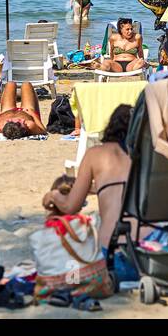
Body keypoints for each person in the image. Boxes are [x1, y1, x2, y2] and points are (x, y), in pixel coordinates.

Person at [43, 103, 134, 264]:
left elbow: (71, 206)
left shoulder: (95, 154)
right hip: (150, 253)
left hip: (114, 254)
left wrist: (53, 195)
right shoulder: (147, 155)